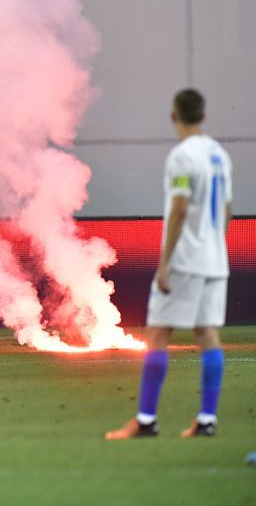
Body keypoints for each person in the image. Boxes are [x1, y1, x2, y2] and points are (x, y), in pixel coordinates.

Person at [106, 89, 233, 440]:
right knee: (207, 334)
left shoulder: (182, 157)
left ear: (174, 117)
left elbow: (178, 208)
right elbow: (227, 210)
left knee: (158, 333)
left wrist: (165, 264)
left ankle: (145, 420)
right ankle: (206, 419)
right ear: (204, 116)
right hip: (215, 259)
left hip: (185, 259)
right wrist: (214, 245)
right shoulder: (219, 156)